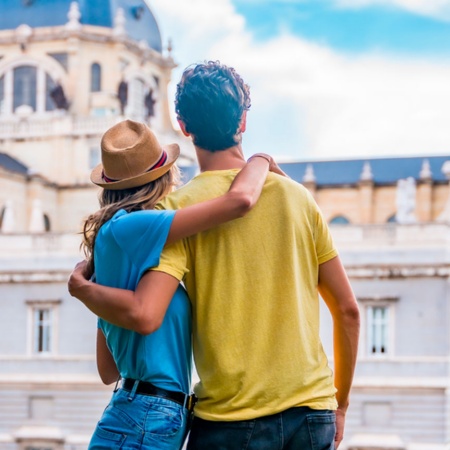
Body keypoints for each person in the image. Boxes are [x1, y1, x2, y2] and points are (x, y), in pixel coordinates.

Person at [70, 61, 360, 450]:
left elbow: (141, 315)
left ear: (183, 126)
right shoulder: (297, 198)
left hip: (229, 420)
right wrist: (339, 405)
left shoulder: (173, 213)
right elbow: (348, 311)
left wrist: (89, 290)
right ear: (242, 120)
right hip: (312, 414)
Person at [69, 118, 281, 449]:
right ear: (164, 176)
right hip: (148, 415)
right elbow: (238, 202)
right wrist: (261, 160)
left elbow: (108, 370)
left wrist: (88, 293)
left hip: (136, 411)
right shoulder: (133, 226)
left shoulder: (112, 243)